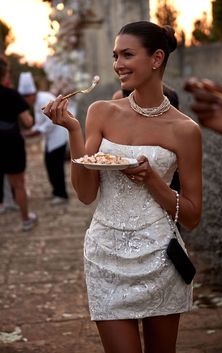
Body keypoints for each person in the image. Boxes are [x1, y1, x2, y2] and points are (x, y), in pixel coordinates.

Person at [43, 21, 202, 353]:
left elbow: (191, 216)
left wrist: (154, 181)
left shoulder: (185, 131)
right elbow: (86, 194)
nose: (117, 64)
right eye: (116, 55)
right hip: (105, 254)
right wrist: (72, 129)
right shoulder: (101, 112)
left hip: (160, 258)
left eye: (127, 55)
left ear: (156, 58)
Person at [18, 72, 69, 205]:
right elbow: (39, 123)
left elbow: (50, 121)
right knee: (50, 165)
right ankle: (56, 191)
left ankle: (61, 194)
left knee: (56, 166)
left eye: (25, 97)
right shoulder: (36, 102)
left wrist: (33, 132)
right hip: (50, 139)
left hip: (58, 136)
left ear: (31, 94)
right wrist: (33, 129)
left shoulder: (44, 99)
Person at [0, 56, 37, 231]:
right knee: (19, 184)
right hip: (11, 143)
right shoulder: (12, 95)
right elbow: (28, 122)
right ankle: (25, 220)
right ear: (5, 74)